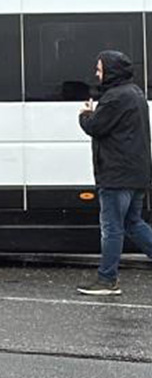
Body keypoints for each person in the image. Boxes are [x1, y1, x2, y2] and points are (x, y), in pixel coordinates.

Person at [76, 50, 152, 296]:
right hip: (135, 174)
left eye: (100, 69)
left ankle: (107, 279)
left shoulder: (115, 97)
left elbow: (96, 127)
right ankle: (107, 278)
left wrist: (85, 114)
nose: (97, 73)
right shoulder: (135, 93)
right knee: (134, 223)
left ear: (111, 70)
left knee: (112, 227)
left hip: (116, 175)